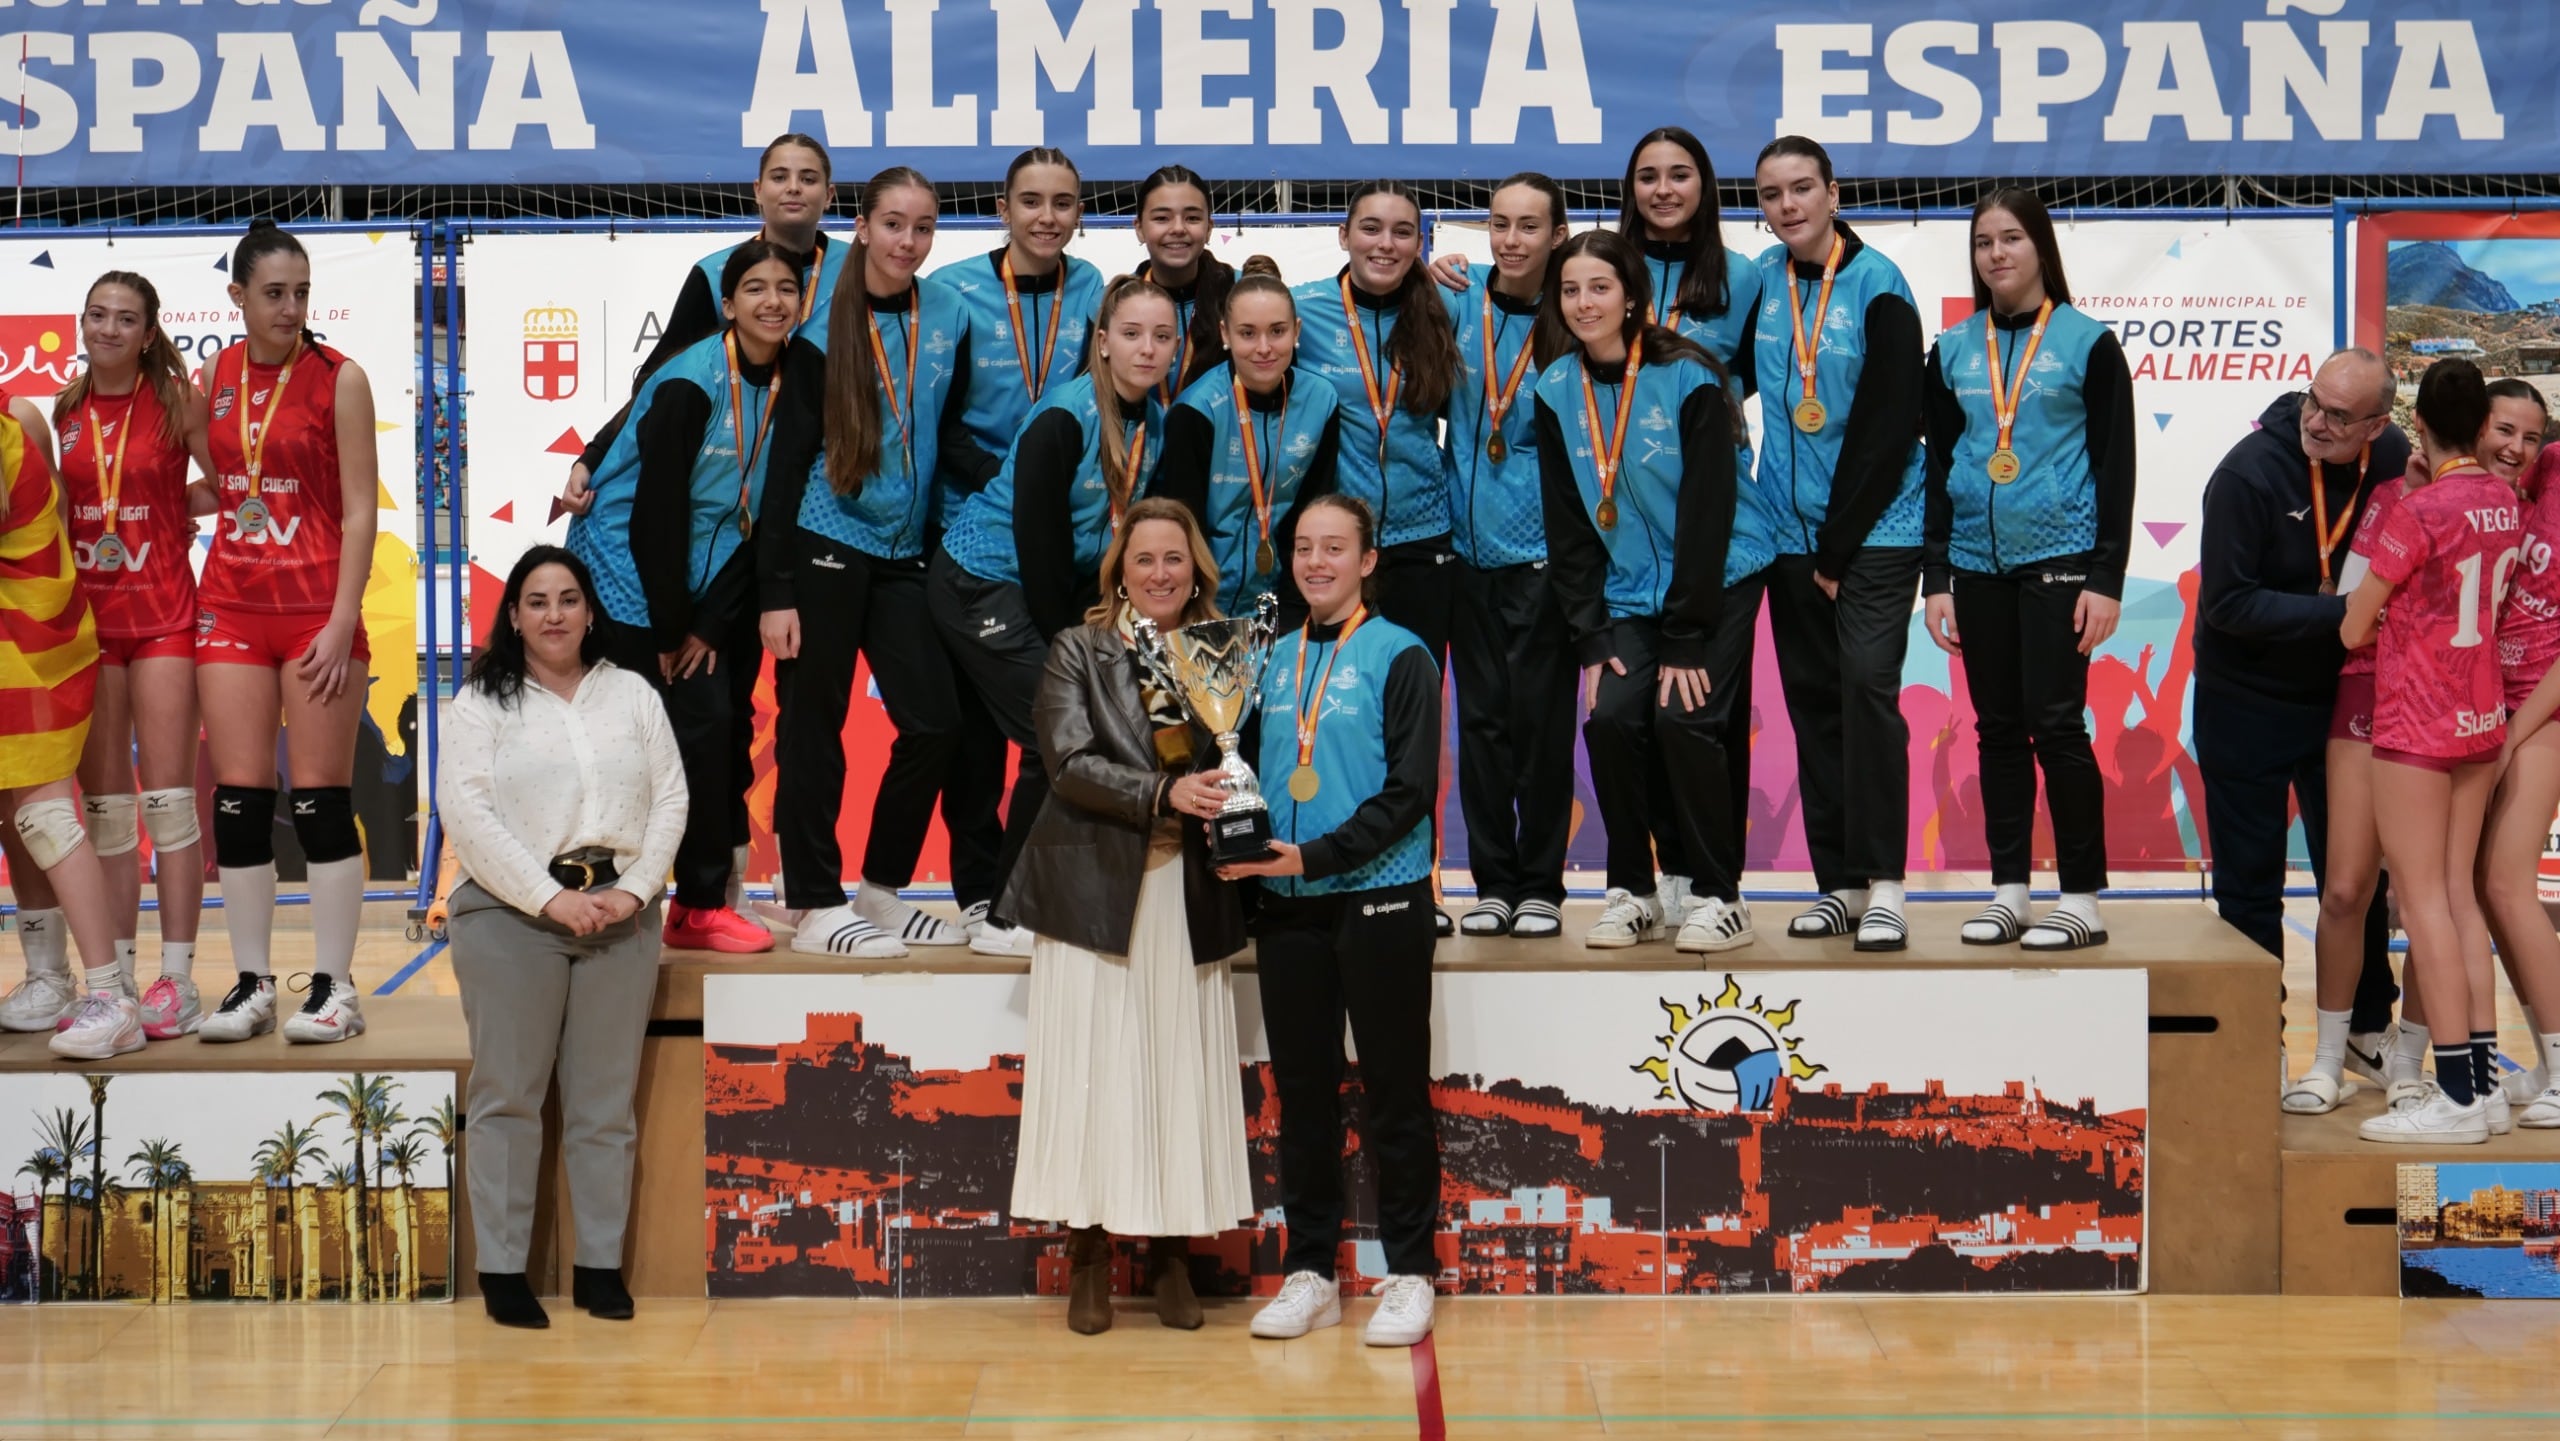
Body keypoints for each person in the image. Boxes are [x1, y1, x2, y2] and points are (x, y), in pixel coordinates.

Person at [1005, 497, 1253, 1335]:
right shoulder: (1080, 647)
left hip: (1190, 891)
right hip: (1093, 895)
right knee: (1092, 1076)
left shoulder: (1220, 650)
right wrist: (1161, 790)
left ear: (1197, 569)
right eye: (1144, 559)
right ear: (1120, 569)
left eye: (1174, 560)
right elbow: (1069, 761)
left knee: (1178, 1073)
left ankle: (1174, 1254)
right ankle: (1088, 1255)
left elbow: (1237, 754)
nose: (1159, 574)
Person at [439, 546, 686, 1329]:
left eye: (569, 598)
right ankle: (504, 1269)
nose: (554, 614)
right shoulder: (481, 704)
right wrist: (549, 899)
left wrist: (636, 890)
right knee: (509, 1096)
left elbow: (672, 799)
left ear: (589, 611)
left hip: (620, 916)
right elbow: (468, 815)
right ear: (513, 615)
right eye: (537, 600)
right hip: (512, 917)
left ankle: (598, 1267)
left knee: (603, 1104)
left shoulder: (634, 694)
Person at [759, 167, 994, 960]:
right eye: (893, 224)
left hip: (904, 553)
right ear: (860, 226)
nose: (908, 241)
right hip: (824, 545)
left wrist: (1021, 479)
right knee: (813, 728)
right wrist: (778, 587)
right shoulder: (822, 327)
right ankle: (815, 902)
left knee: (937, 720)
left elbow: (949, 432)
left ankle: (880, 890)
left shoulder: (952, 314)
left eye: (923, 227)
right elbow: (784, 467)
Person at [1224, 494, 1442, 1349]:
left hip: (1379, 900)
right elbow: (1242, 767)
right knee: (1305, 1097)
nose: (1317, 562)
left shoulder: (1402, 655)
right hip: (1288, 911)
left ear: (1368, 560)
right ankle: (1311, 1268)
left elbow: (1409, 793)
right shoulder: (1266, 661)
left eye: (1335, 548)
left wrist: (1310, 856)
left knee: (1394, 1094)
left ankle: (1410, 1271)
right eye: (1305, 548)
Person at [565, 241, 811, 955]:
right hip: (627, 567)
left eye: (787, 289)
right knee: (642, 738)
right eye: (756, 288)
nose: (773, 300)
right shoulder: (688, 383)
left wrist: (707, 619)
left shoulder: (795, 380)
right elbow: (654, 516)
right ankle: (604, 898)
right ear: (727, 306)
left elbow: (760, 517)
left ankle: (698, 907)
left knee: (711, 732)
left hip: (703, 571)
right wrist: (674, 629)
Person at [1535, 231, 1771, 954]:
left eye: (1599, 287)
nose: (1584, 303)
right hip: (1631, 590)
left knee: (1683, 717)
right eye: (1570, 290)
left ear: (1631, 295)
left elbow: (1709, 513)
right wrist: (1592, 634)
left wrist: (1686, 633)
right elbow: (1570, 529)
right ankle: (1633, 888)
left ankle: (1718, 892)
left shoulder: (1689, 376)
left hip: (1719, 575)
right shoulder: (1553, 389)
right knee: (1609, 720)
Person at [930, 277, 1176, 960]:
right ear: (1102, 342)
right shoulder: (1065, 418)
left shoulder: (1151, 420)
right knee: (1059, 729)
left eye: (1161, 336)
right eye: (1131, 334)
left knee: (1080, 724)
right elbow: (1041, 555)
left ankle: (1047, 894)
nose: (1147, 348)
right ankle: (1005, 915)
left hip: (1049, 593)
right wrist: (1082, 654)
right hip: (979, 584)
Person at [1920, 190, 2134, 951]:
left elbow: (2115, 466)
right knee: (1997, 729)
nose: (1997, 254)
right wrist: (1936, 576)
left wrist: (2106, 576)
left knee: (2056, 724)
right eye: (1984, 242)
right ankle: (2009, 888)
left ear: (2041, 247)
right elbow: (1938, 470)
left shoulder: (2087, 343)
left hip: (2061, 562)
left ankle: (2081, 896)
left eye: (2012, 238)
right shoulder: (1950, 350)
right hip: (1976, 567)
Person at [194, 222, 382, 1045]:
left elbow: (362, 506)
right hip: (230, 605)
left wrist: (343, 620)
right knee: (237, 804)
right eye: (274, 292)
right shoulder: (213, 376)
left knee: (320, 802)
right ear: (237, 296)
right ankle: (251, 983)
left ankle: (337, 990)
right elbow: (225, 483)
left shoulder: (341, 379)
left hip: (317, 611)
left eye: (302, 292)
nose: (292, 307)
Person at [1739, 137, 1927, 951]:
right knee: (1814, 705)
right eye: (1773, 194)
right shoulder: (1761, 286)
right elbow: (1712, 367)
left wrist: (1838, 549)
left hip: (1874, 534)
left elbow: (1891, 425)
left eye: (1803, 189)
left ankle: (1885, 882)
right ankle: (1839, 883)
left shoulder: (1880, 285)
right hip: (1786, 532)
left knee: (1868, 695)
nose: (1789, 206)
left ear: (1834, 192)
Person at [2194, 347, 2407, 1056]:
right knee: (2249, 887)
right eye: (2313, 401)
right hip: (2244, 699)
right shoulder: (2247, 472)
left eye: (2340, 415)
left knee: (2352, 883)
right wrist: (2344, 613)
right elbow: (2226, 603)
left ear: (2376, 424)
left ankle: (2368, 1028)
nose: (2316, 420)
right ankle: (2260, 1041)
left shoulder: (2393, 458)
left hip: (2336, 702)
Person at [21, 273, 214, 1041]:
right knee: (106, 814)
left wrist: (186, 507)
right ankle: (122, 981)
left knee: (168, 804)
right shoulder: (62, 413)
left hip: (163, 615)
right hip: (88, 627)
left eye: (124, 318)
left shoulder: (174, 402)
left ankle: (178, 978)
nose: (107, 328)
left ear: (147, 330)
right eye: (96, 315)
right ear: (82, 323)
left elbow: (236, 476)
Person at [932, 147, 1108, 957]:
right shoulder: (957, 290)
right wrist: (1005, 478)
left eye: (1063, 202)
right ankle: (982, 896)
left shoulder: (1096, 290)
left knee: (1047, 730)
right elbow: (934, 414)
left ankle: (1019, 896)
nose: (1047, 217)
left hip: (1046, 529)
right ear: (1001, 209)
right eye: (1031, 201)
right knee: (967, 736)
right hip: (968, 525)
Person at [2344, 359, 2519, 1145]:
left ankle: (2453, 1095)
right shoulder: (2506, 500)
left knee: (2422, 905)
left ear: (2420, 425)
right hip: (2483, 717)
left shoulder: (2417, 509)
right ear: (2484, 428)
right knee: (2458, 898)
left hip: (2417, 725)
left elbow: (2353, 625)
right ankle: (2480, 1087)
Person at [1291, 179, 1461, 934]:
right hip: (1336, 556)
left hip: (1425, 549)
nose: (1385, 244)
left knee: (1411, 736)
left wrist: (1463, 267)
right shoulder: (1306, 312)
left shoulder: (1444, 306)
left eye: (1403, 231)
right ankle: (1314, 870)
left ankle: (1420, 884)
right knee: (1328, 724)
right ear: (1343, 235)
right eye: (1370, 228)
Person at [1441, 175, 1575, 941]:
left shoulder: (1574, 312)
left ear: (1557, 234)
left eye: (1529, 226)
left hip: (1545, 561)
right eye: (1500, 224)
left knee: (1542, 727)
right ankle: (1491, 881)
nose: (1512, 240)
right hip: (1466, 555)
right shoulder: (1458, 302)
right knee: (1481, 725)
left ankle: (1542, 884)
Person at [0, 391, 128, 1061]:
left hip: (30, 640)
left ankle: (111, 994)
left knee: (45, 814)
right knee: (14, 810)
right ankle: (49, 977)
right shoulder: (18, 412)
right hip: (22, 631)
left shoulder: (13, 419)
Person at [1149, 256, 1342, 618]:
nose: (1264, 347)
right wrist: (1195, 614)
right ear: (1225, 334)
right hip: (1204, 606)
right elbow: (1182, 528)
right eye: (1248, 333)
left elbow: (1314, 511)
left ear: (1297, 332)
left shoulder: (1322, 400)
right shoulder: (1197, 410)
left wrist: (1295, 613)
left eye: (1278, 331)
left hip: (1284, 603)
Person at [2484, 398, 2560, 1127]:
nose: (2518, 446)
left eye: (2528, 436)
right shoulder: (2537, 470)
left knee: (2509, 883)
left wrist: (2517, 729)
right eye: (2508, 432)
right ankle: (2547, 1060)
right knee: (2484, 888)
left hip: (2543, 710)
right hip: (2487, 705)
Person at [1131, 165, 1235, 404]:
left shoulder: (1241, 293)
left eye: (1192, 218)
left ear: (1209, 228)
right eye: (1161, 218)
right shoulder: (1116, 303)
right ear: (1139, 228)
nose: (1178, 228)